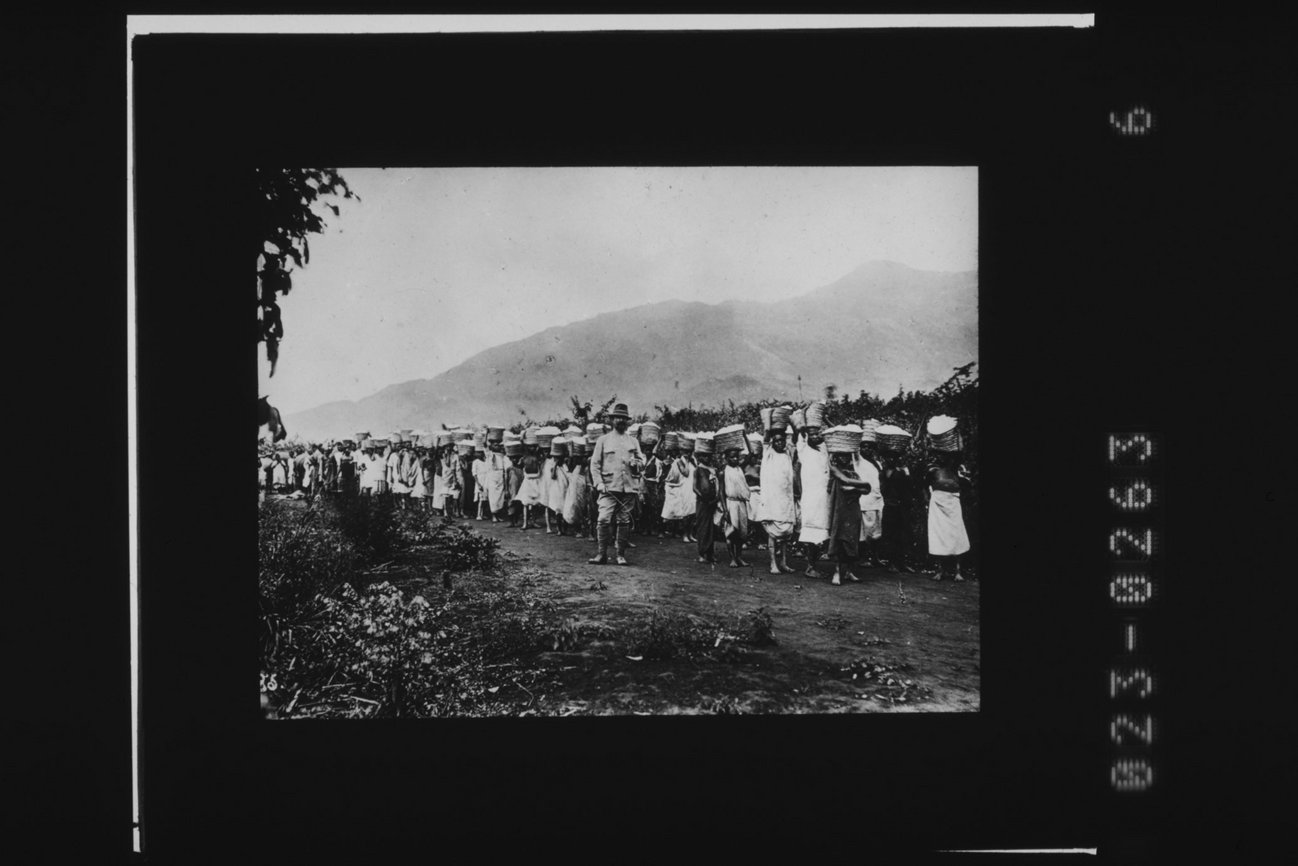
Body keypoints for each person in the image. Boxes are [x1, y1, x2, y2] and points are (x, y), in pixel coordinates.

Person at [588, 403, 644, 565]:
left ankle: (620, 554)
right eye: (617, 418)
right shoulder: (603, 440)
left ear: (627, 421)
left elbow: (642, 461)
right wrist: (598, 483)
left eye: (624, 418)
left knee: (624, 520)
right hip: (608, 487)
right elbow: (595, 464)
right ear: (612, 420)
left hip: (628, 487)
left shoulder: (633, 441)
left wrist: (637, 463)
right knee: (603, 519)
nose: (621, 421)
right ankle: (601, 554)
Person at [826, 449, 875, 586]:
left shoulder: (854, 472)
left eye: (847, 456)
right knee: (838, 538)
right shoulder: (835, 471)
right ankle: (836, 571)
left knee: (851, 539)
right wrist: (863, 484)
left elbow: (866, 491)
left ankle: (849, 571)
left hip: (853, 510)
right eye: (841, 455)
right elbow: (844, 482)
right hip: (839, 509)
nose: (844, 458)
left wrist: (856, 487)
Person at [926, 450, 971, 581]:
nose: (947, 460)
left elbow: (967, 489)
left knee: (957, 534)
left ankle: (958, 571)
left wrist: (965, 478)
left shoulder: (959, 472)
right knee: (939, 534)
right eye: (943, 456)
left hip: (954, 506)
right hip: (937, 505)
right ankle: (940, 569)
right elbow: (924, 486)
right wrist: (927, 500)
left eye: (950, 457)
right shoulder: (933, 472)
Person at [759, 428, 798, 574]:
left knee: (786, 534)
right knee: (772, 533)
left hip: (786, 499)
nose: (780, 443)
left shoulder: (787, 455)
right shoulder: (768, 454)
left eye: (782, 440)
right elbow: (766, 437)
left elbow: (793, 440)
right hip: (772, 499)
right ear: (772, 443)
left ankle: (783, 562)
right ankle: (773, 564)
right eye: (777, 441)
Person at [794, 422, 831, 576]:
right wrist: (803, 424)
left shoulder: (824, 448)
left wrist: (825, 420)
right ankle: (810, 567)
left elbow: (835, 434)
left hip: (824, 496)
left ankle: (813, 565)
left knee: (822, 531)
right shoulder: (803, 449)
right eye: (812, 434)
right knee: (812, 532)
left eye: (818, 433)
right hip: (811, 496)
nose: (816, 436)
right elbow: (799, 432)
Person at [717, 446, 751, 568]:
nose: (735, 459)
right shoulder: (723, 472)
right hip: (730, 503)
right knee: (731, 532)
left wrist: (744, 436)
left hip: (741, 503)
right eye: (732, 457)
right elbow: (721, 492)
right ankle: (732, 558)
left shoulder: (739, 469)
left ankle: (739, 557)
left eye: (737, 456)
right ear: (726, 458)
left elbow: (751, 453)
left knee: (742, 533)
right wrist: (725, 510)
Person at [854, 435, 885, 567]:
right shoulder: (858, 461)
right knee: (864, 532)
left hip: (878, 500)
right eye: (864, 447)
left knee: (876, 532)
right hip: (865, 501)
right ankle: (863, 557)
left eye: (870, 447)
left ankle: (875, 557)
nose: (867, 450)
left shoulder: (877, 463)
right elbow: (853, 445)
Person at [692, 437, 719, 563]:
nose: (707, 459)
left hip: (712, 502)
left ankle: (711, 554)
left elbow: (717, 485)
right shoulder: (698, 469)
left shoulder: (713, 470)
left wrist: (715, 498)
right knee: (703, 527)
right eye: (704, 456)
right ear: (699, 457)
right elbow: (695, 487)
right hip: (702, 502)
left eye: (708, 456)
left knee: (712, 528)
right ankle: (702, 553)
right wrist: (703, 497)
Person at [562, 440, 591, 536]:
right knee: (573, 506)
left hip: (580, 486)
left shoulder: (584, 463)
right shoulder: (574, 464)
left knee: (580, 507)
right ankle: (575, 529)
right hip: (574, 487)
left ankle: (579, 529)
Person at [545, 440, 570, 535]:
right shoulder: (553, 467)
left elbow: (568, 477)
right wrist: (555, 464)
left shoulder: (564, 466)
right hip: (557, 491)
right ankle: (559, 530)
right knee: (558, 510)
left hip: (565, 489)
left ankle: (565, 529)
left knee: (565, 510)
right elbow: (553, 476)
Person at [516, 446, 543, 529]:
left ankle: (533, 521)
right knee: (526, 504)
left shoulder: (537, 459)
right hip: (528, 483)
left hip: (535, 482)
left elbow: (539, 472)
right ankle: (525, 523)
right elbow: (519, 466)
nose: (532, 448)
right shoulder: (525, 458)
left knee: (534, 504)